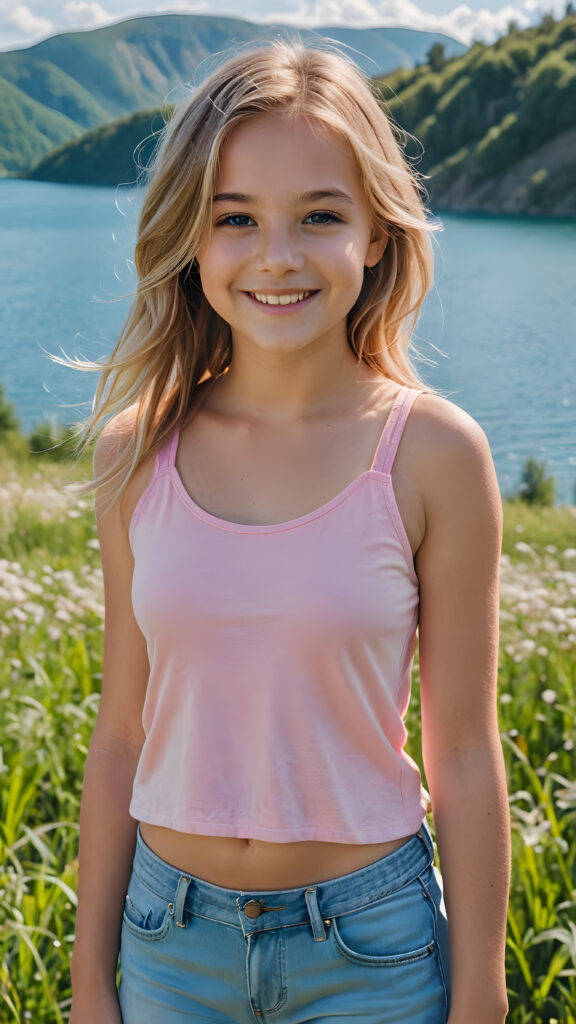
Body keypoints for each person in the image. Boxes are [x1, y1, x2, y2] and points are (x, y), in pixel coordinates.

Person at [69, 38, 510, 1024]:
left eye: (320, 215)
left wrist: (481, 994)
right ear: (193, 237)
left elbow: (467, 754)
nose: (277, 255)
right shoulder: (137, 450)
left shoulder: (434, 452)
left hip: (370, 949)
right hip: (167, 943)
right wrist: (88, 982)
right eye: (236, 219)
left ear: (377, 235)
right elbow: (123, 733)